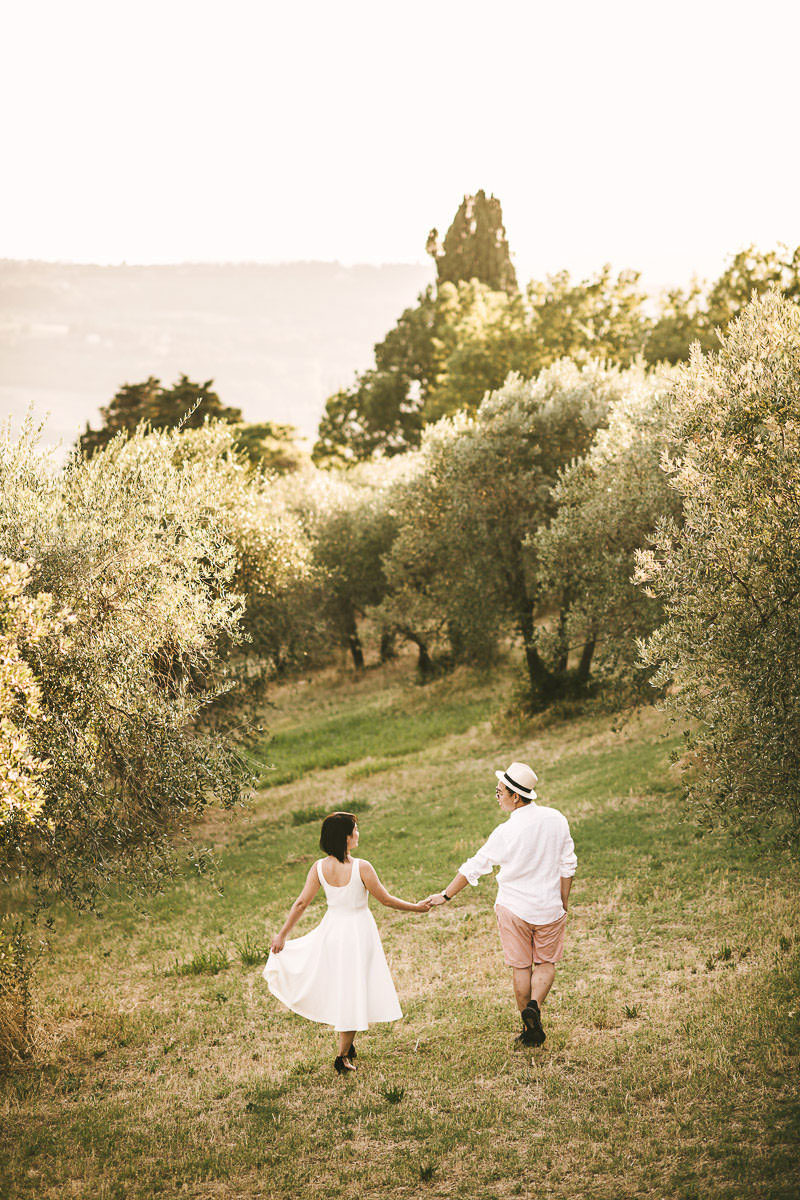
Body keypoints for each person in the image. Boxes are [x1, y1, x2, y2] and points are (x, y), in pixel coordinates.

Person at [264, 811, 431, 1074]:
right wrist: (417, 908)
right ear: (345, 837)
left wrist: (282, 934)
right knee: (353, 989)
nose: (358, 833)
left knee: (346, 985)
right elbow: (385, 900)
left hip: (332, 930)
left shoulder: (318, 867)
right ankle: (341, 1056)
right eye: (355, 829)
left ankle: (348, 1043)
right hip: (356, 931)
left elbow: (301, 902)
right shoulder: (362, 867)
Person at [426, 761, 576, 1048]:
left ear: (515, 797)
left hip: (514, 909)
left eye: (499, 792)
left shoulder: (505, 832)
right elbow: (568, 863)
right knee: (546, 963)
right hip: (549, 908)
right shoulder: (556, 818)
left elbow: (475, 867)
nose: (497, 797)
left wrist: (445, 896)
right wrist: (563, 900)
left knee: (521, 967)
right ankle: (535, 1005)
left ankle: (529, 1028)